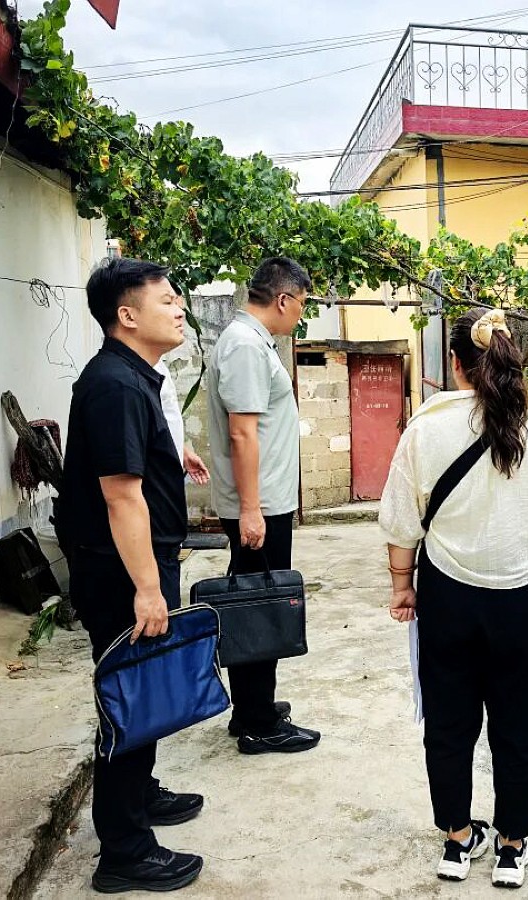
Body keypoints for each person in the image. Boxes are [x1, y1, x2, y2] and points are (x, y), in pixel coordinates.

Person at [380, 307, 528, 890]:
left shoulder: (424, 430)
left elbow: (401, 523)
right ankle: (512, 847)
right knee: (518, 726)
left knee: (449, 722)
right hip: (521, 600)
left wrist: (402, 584)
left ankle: (456, 839)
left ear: (455, 363)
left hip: (447, 598)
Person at [60, 258, 206, 893]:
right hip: (121, 574)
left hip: (137, 564)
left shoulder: (135, 376)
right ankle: (123, 852)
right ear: (127, 315)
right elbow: (121, 496)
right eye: (166, 300)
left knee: (144, 693)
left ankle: (139, 795)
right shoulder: (115, 385)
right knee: (130, 698)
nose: (179, 309)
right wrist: (148, 587)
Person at [207, 256, 320, 754]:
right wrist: (251, 509)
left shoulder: (251, 342)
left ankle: (254, 707)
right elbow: (242, 433)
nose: (301, 314)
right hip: (259, 506)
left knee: (260, 603)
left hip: (264, 502)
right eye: (302, 304)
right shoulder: (245, 346)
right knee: (259, 610)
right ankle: (257, 723)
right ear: (283, 299)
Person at [155, 356, 210, 486]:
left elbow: (156, 418)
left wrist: (180, 449)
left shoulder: (155, 364)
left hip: (168, 473)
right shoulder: (126, 375)